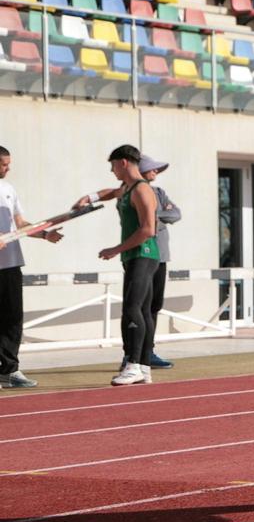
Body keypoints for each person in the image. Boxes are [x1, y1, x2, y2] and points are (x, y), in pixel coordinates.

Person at [79, 156, 180, 370]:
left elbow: (175, 214)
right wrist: (90, 197)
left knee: (150, 307)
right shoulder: (129, 189)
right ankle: (133, 356)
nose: (156, 172)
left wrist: (149, 213)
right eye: (153, 169)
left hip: (156, 256)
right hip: (138, 253)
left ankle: (145, 355)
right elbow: (111, 192)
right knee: (135, 308)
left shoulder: (156, 193)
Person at [0, 146, 64, 389]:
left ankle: (9, 371)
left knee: (13, 319)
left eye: (8, 164)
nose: (8, 168)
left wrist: (45, 234)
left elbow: (20, 224)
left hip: (11, 264)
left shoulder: (8, 189)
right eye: (4, 164)